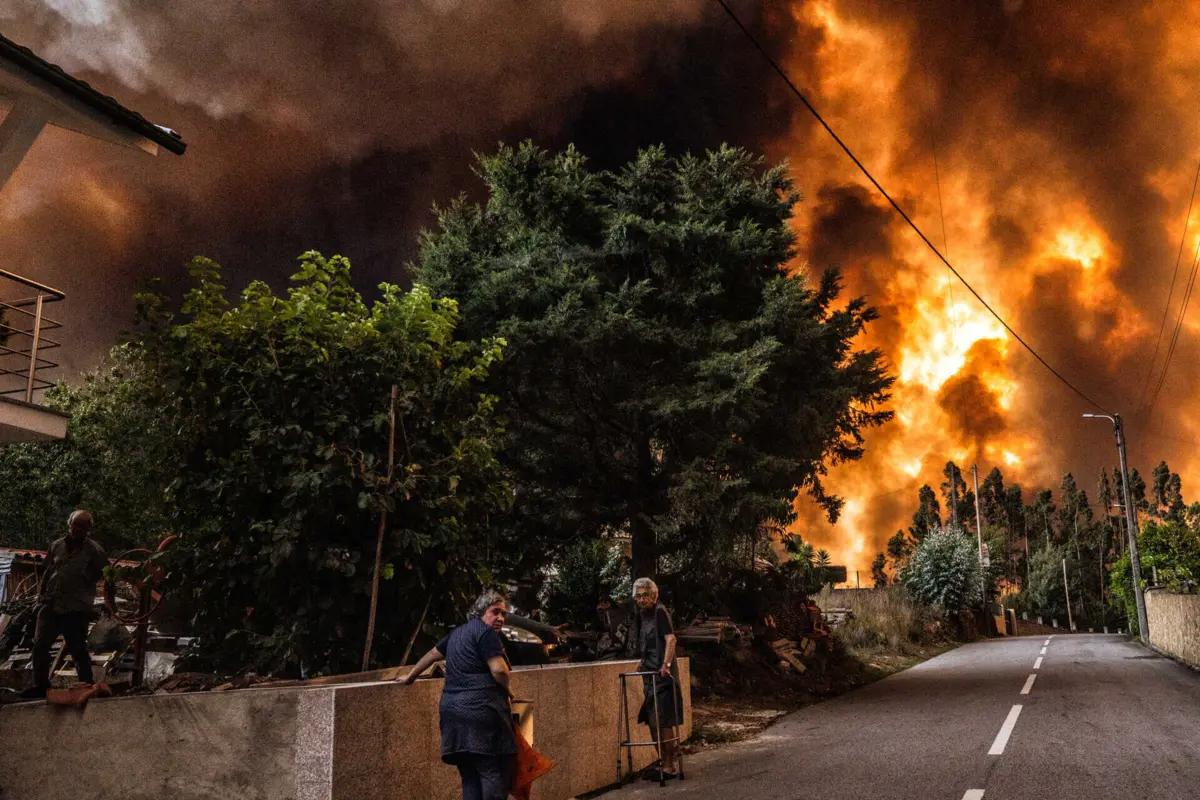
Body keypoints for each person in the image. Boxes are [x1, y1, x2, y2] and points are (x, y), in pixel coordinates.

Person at [400, 590, 516, 800]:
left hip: (452, 714)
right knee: (491, 770)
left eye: (503, 614)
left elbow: (432, 655)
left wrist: (410, 676)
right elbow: (499, 670)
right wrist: (507, 690)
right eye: (495, 612)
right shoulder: (486, 634)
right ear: (482, 612)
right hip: (481, 712)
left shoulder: (457, 633)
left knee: (469, 775)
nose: (500, 618)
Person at [21, 510, 108, 699]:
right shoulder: (56, 545)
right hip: (50, 603)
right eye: (75, 524)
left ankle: (87, 684)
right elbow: (47, 572)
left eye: (83, 526)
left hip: (76, 607)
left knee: (77, 648)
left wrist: (106, 601)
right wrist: (40, 598)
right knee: (40, 644)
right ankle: (40, 685)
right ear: (69, 525)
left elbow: (107, 576)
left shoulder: (94, 550)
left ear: (88, 529)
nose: (78, 529)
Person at [632, 577, 683, 779]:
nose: (642, 599)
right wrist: (642, 661)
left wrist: (666, 664)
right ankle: (664, 762)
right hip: (649, 673)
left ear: (654, 595)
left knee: (663, 720)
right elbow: (648, 643)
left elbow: (671, 640)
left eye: (646, 595)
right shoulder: (642, 615)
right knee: (652, 720)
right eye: (639, 596)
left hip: (662, 674)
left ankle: (670, 765)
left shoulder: (659, 612)